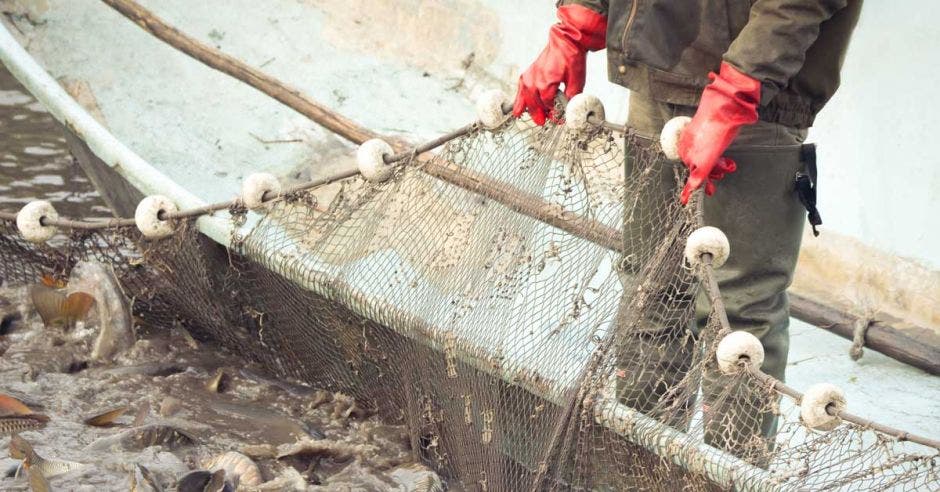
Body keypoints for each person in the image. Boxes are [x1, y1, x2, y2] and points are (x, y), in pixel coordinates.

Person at [513, 0, 862, 460]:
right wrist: (577, 24)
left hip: (759, 97)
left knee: (738, 320)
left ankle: (732, 477)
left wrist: (736, 90)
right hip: (657, 66)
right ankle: (637, 472)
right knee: (650, 289)